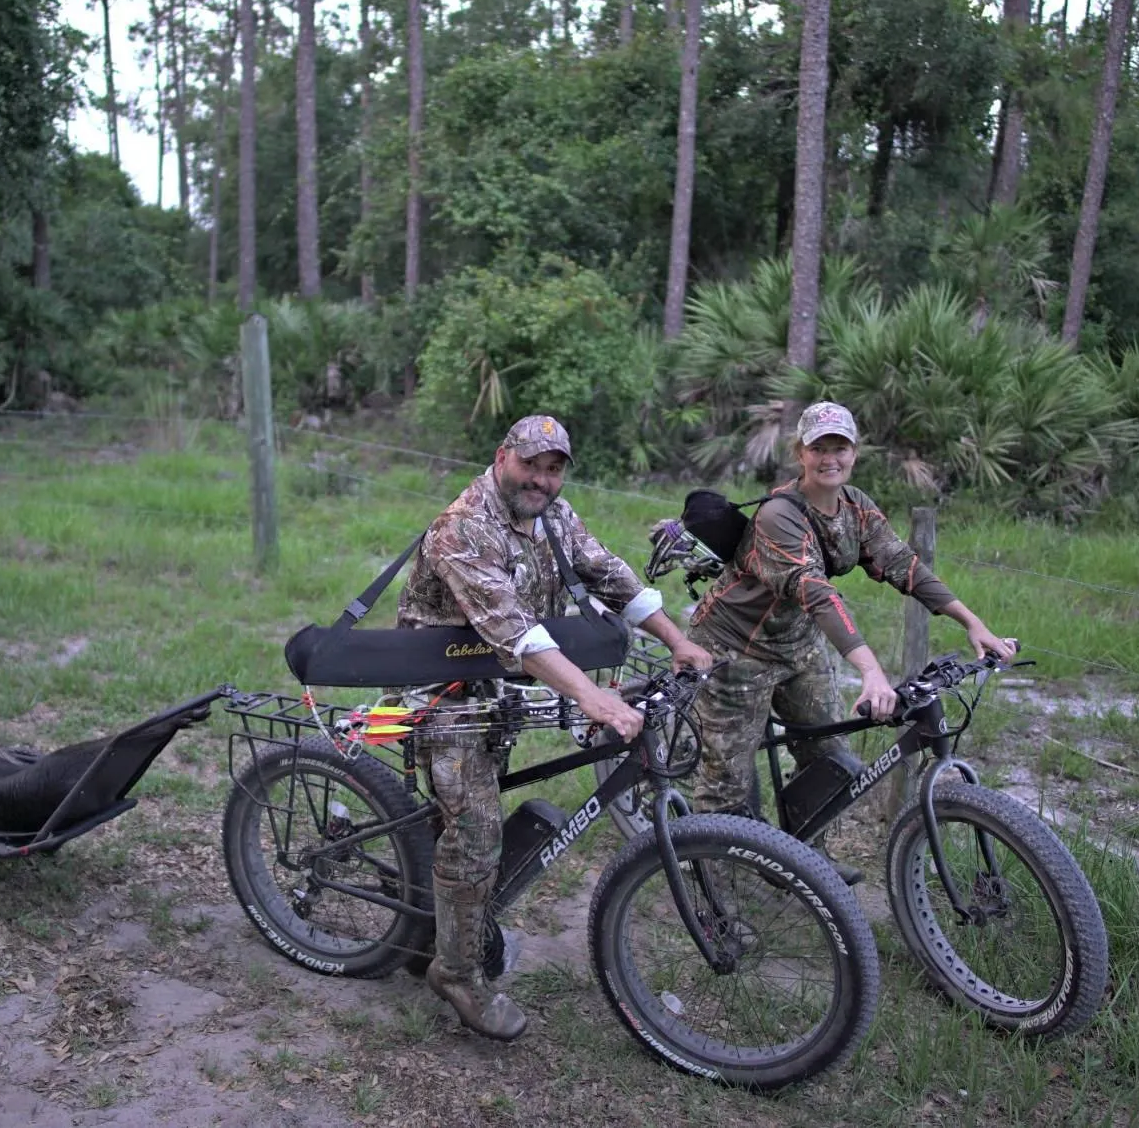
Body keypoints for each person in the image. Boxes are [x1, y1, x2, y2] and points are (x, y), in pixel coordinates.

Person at [396, 413, 713, 1042]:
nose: (542, 479)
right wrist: (593, 697)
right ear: (502, 456)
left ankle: (440, 915)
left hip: (501, 680)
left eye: (554, 467)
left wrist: (678, 640)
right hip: (442, 690)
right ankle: (456, 972)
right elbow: (517, 632)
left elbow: (611, 573)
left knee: (467, 812)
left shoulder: (554, 517)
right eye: (531, 464)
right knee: (478, 827)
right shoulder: (462, 528)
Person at [684, 401, 1016, 883]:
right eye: (819, 448)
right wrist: (870, 670)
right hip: (735, 648)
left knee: (830, 758)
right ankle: (713, 890)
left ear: (854, 453)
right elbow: (815, 592)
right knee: (727, 782)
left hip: (798, 646)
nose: (829, 458)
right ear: (801, 453)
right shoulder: (779, 514)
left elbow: (902, 564)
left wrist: (972, 622)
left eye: (839, 447)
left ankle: (801, 859)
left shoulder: (855, 508)